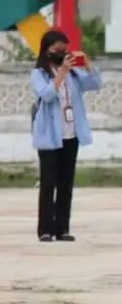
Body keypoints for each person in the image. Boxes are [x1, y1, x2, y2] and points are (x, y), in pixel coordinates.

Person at [31, 29, 102, 243]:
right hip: (49, 136)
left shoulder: (73, 74)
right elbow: (47, 94)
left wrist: (86, 62)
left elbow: (95, 84)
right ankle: (45, 228)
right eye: (56, 50)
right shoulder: (38, 74)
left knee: (66, 183)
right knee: (48, 182)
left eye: (64, 49)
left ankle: (62, 228)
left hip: (71, 134)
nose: (61, 53)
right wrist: (60, 72)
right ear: (46, 50)